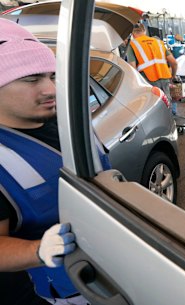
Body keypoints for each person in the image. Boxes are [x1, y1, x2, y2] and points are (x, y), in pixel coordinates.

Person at [0, 19, 88, 304]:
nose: (50, 89)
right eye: (31, 79)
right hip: (57, 293)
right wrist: (39, 250)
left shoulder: (69, 121)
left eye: (51, 76)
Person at [126, 23, 178, 115]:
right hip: (165, 77)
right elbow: (174, 63)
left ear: (132, 34)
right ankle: (170, 123)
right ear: (145, 31)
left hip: (148, 81)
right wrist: (172, 76)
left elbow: (132, 68)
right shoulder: (158, 42)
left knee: (153, 109)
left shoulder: (133, 45)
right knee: (167, 104)